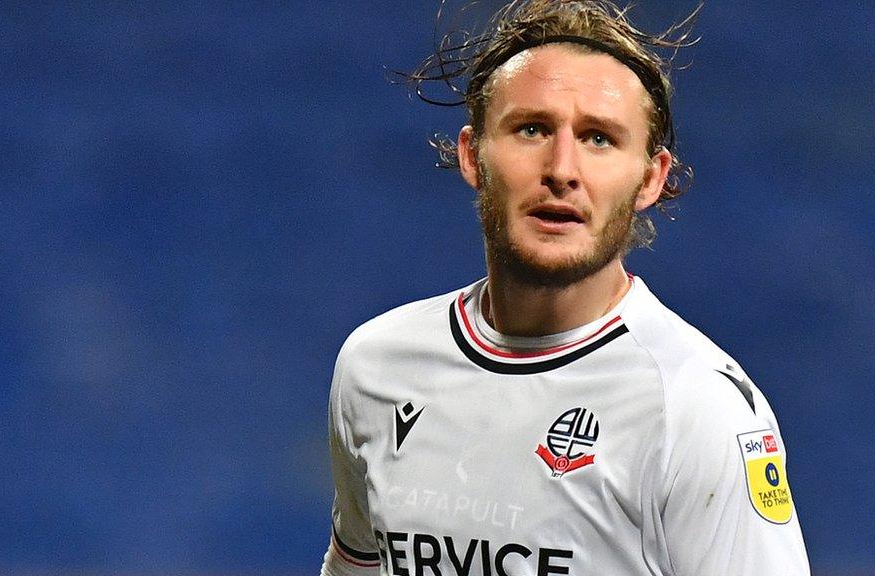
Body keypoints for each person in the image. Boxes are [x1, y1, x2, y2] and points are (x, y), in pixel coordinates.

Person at [320, 1, 810, 574]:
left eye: (599, 138)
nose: (562, 168)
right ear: (472, 154)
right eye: (532, 129)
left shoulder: (695, 408)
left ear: (650, 178)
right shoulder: (376, 366)